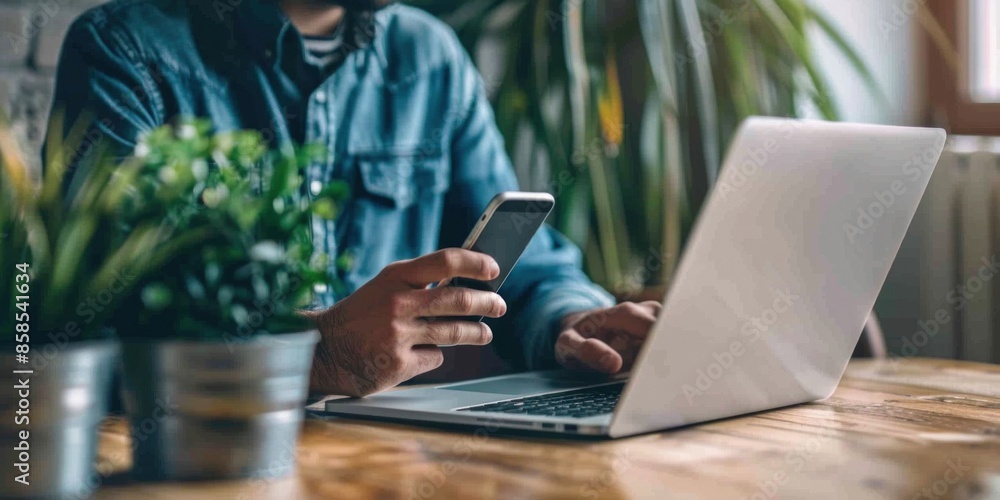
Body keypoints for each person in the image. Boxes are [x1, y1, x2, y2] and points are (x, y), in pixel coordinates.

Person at [47, 0, 661, 397]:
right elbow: (100, 324)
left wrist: (572, 322)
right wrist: (317, 355)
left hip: (381, 461)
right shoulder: (125, 51)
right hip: (206, 460)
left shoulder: (430, 57)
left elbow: (521, 270)